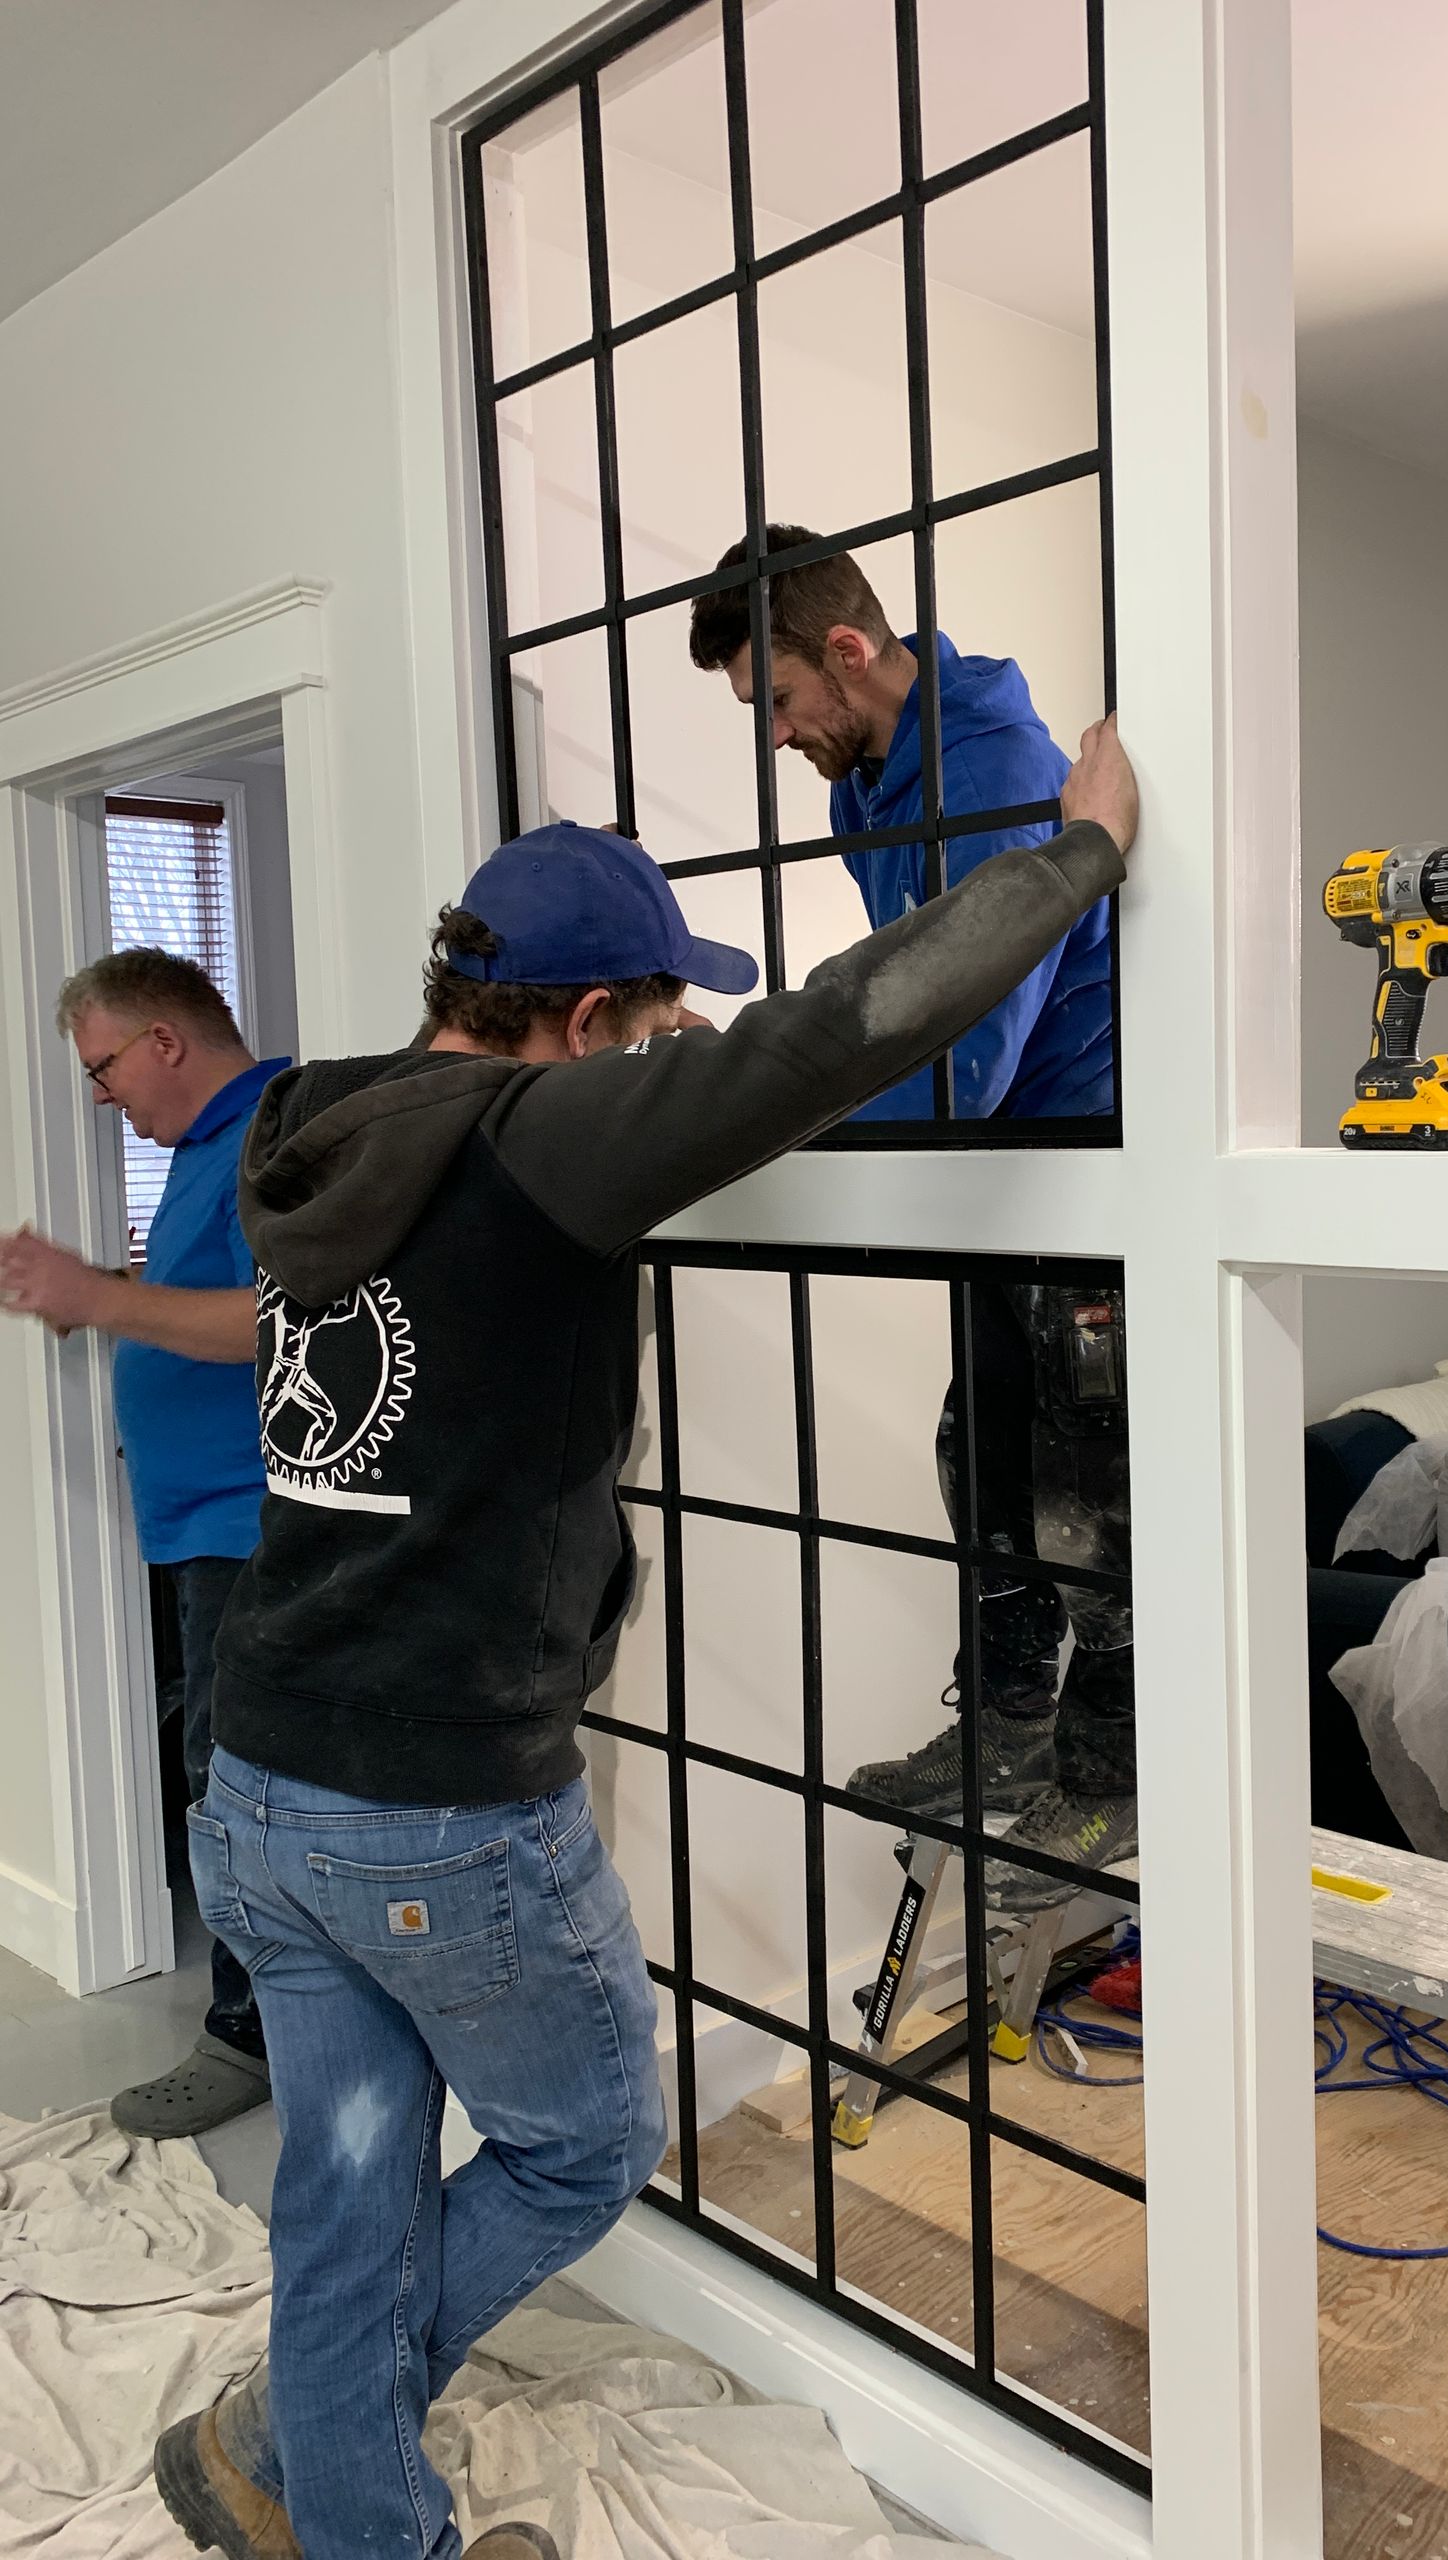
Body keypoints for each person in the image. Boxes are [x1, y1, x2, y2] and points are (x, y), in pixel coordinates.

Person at [151, 734, 1134, 2560]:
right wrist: (1073, 857)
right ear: (587, 1017)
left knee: (352, 2182)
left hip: (262, 1764)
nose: (679, 1046)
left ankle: (321, 2492)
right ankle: (317, 2435)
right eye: (657, 1020)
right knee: (590, 2141)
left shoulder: (320, 1119)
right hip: (435, 1804)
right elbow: (838, 1031)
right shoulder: (544, 1141)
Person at [690, 540, 1135, 1908]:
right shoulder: (868, 776)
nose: (775, 739)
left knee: (1086, 1483)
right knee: (983, 1445)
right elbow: (898, 983)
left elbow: (969, 1048)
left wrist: (794, 1113)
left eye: (773, 703)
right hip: (995, 1172)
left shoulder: (988, 769)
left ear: (844, 653)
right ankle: (1006, 1729)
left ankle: (1111, 1776)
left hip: (1078, 1157)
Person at [0, 950, 288, 2132]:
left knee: (230, 1792)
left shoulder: (274, 1133)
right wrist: (105, 1292)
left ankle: (247, 2038)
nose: (104, 1095)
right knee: (219, 1778)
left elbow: (286, 1320)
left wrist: (105, 1299)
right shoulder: (199, 1152)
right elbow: (210, 1296)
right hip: (197, 1523)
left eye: (104, 1067)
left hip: (251, 1525)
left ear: (166, 1039)